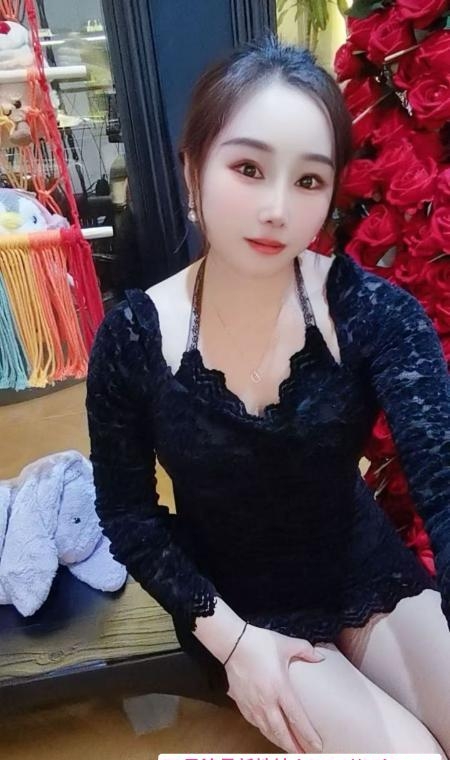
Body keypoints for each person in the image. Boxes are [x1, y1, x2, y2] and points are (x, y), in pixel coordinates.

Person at [85, 33, 450, 754]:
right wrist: (232, 643)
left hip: (360, 566)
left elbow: (444, 479)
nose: (278, 209)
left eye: (309, 181)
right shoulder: (132, 338)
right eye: (248, 168)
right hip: (235, 602)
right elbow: (129, 518)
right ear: (192, 170)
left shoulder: (373, 313)